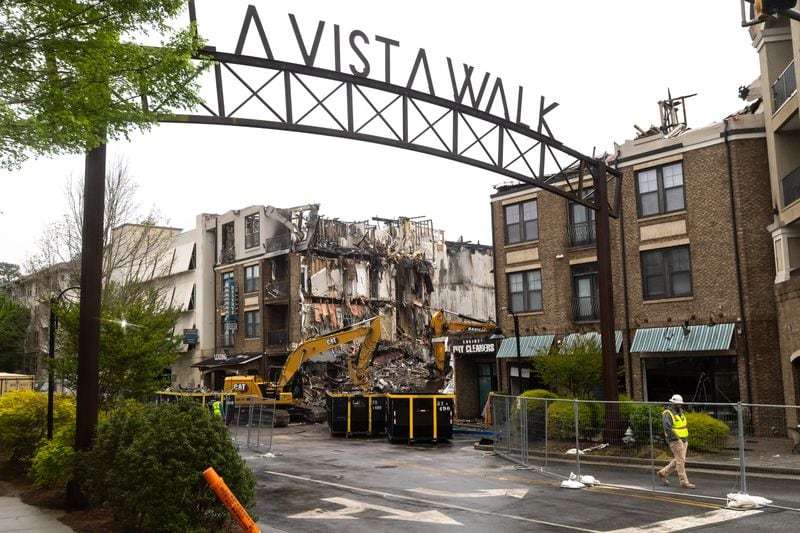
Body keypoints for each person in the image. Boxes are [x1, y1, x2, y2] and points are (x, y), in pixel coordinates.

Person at [656, 394, 695, 489]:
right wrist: (676, 438)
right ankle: (684, 482)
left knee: (680, 460)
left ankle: (663, 473)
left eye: (680, 403)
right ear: (672, 403)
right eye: (677, 403)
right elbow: (667, 428)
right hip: (675, 440)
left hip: (684, 439)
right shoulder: (667, 413)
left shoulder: (681, 412)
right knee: (680, 461)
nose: (679, 405)